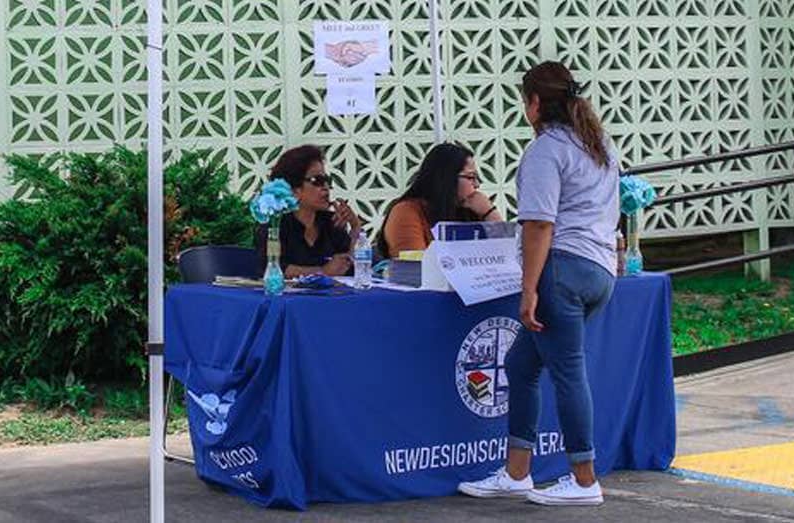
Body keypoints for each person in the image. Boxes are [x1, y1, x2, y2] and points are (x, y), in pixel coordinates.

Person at [457, 61, 621, 507]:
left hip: (561, 271)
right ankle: (517, 472)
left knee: (568, 371)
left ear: (533, 104)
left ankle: (584, 479)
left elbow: (538, 227)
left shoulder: (546, 150)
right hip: (599, 270)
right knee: (521, 366)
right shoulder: (598, 143)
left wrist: (528, 290)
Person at [374, 142, 504, 259]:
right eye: (471, 177)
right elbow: (417, 266)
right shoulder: (406, 211)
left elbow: (506, 256)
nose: (477, 185)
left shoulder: (470, 210)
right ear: (446, 179)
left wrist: (490, 213)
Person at [263, 145, 364, 277]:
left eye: (327, 180)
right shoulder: (275, 225)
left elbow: (349, 267)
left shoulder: (331, 221)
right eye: (317, 181)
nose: (326, 188)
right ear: (294, 190)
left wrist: (355, 227)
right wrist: (323, 272)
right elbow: (275, 268)